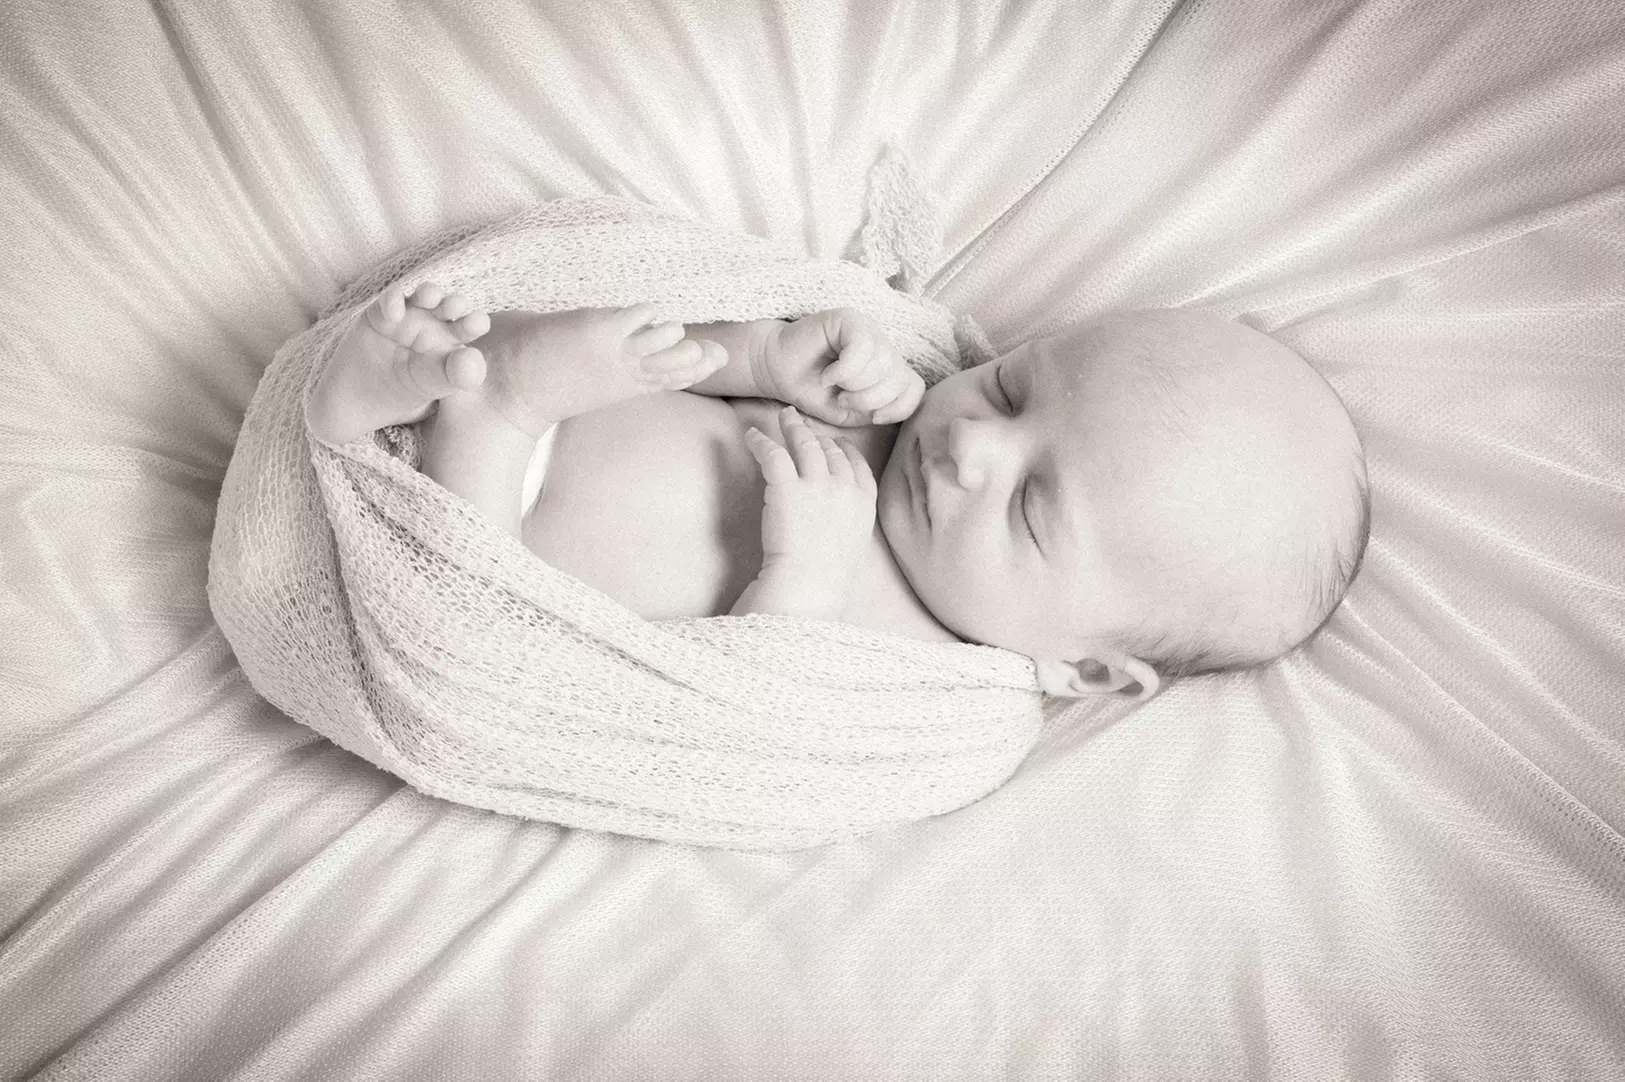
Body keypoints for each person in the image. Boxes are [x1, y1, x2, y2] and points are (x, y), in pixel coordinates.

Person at [306, 281, 1369, 703]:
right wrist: (767, 358)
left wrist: (798, 584)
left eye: (1028, 508)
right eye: (1010, 389)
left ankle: (472, 410)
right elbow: (685, 363)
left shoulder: (924, 687)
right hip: (539, 408)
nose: (969, 447)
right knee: (541, 343)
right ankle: (383, 394)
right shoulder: (890, 399)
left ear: (1086, 667)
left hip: (492, 554)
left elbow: (737, 728)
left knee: (473, 569)